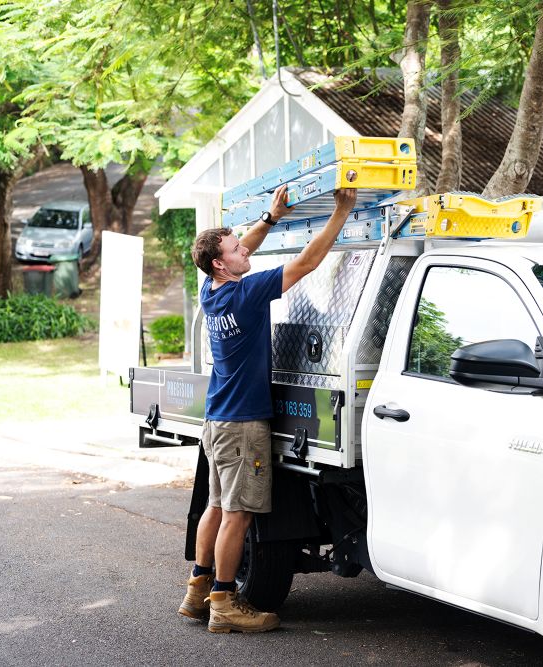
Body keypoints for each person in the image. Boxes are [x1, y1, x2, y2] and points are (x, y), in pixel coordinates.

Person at [179, 185, 357, 633]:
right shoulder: (248, 293)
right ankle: (223, 604)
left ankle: (196, 592)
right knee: (238, 515)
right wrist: (342, 211)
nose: (245, 249)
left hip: (218, 420)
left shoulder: (212, 291)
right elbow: (308, 263)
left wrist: (271, 218)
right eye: (236, 248)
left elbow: (240, 252)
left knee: (216, 508)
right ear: (222, 263)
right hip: (242, 426)